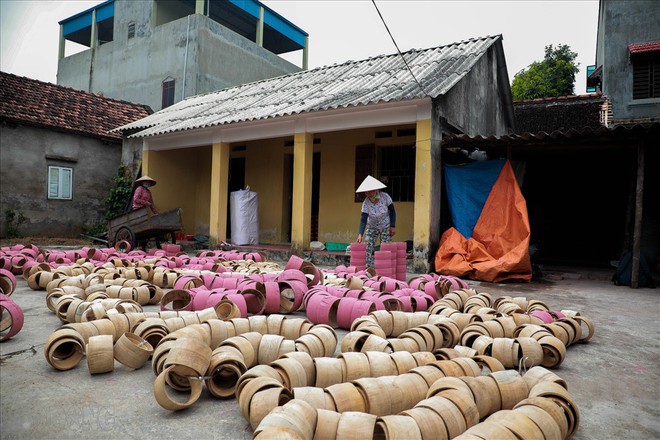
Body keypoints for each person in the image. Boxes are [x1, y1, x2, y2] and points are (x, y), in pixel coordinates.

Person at [355, 175, 396, 268]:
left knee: (385, 247)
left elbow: (392, 212)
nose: (368, 194)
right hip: (372, 226)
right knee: (368, 246)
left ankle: (384, 268)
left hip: (385, 225)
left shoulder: (385, 197)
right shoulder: (366, 202)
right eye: (366, 192)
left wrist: (392, 226)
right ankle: (368, 268)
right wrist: (360, 234)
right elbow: (363, 219)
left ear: (375, 190)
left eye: (370, 191)